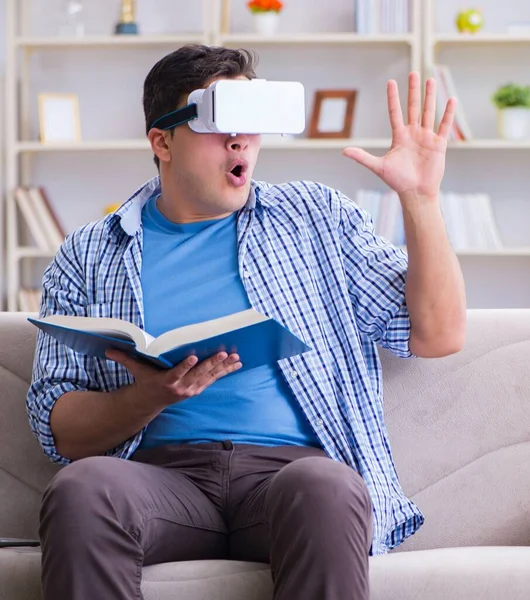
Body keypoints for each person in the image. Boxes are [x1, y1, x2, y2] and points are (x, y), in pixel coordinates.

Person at [26, 44, 466, 600]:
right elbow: (60, 428)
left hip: (289, 477)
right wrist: (152, 396)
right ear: (162, 141)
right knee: (83, 488)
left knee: (328, 484)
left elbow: (439, 333)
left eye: (249, 122)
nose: (239, 140)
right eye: (216, 122)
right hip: (163, 482)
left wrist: (421, 199)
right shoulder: (89, 252)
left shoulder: (316, 218)